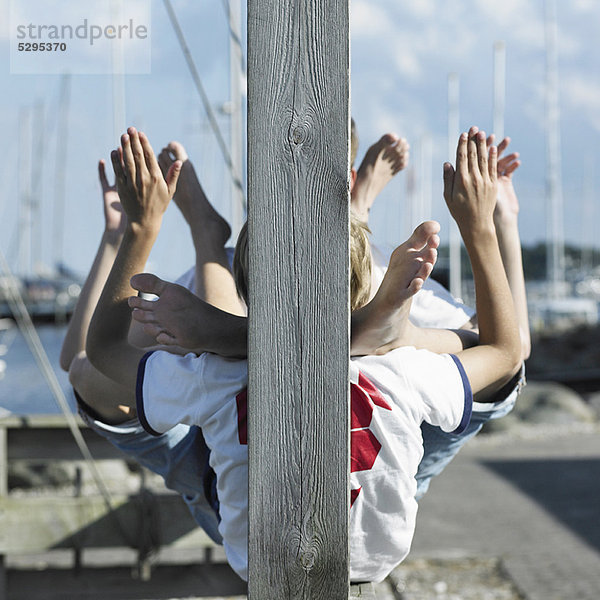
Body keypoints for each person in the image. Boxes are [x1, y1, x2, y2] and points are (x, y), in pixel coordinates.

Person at [85, 125, 521, 582]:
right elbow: (507, 351)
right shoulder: (402, 373)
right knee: (489, 378)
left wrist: (139, 227)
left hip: (258, 554)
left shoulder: (216, 378)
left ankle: (237, 315)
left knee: (107, 383)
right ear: (362, 287)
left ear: (247, 288)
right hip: (371, 555)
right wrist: (481, 227)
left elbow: (102, 351)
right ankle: (363, 328)